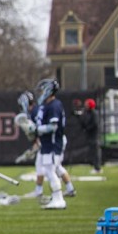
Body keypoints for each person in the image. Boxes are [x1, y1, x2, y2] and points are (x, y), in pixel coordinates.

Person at [32, 79, 68, 210]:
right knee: (49, 171)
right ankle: (57, 198)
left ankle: (59, 199)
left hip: (53, 144)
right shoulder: (48, 105)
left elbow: (53, 127)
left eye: (42, 90)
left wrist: (37, 129)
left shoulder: (54, 105)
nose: (40, 93)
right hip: (47, 145)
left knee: (51, 171)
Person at [80, 98, 101, 173]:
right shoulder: (87, 113)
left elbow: (95, 124)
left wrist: (88, 128)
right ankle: (95, 166)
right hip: (90, 135)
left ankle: (97, 168)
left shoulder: (94, 113)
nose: (85, 106)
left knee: (96, 151)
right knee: (93, 151)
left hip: (94, 136)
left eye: (87, 104)